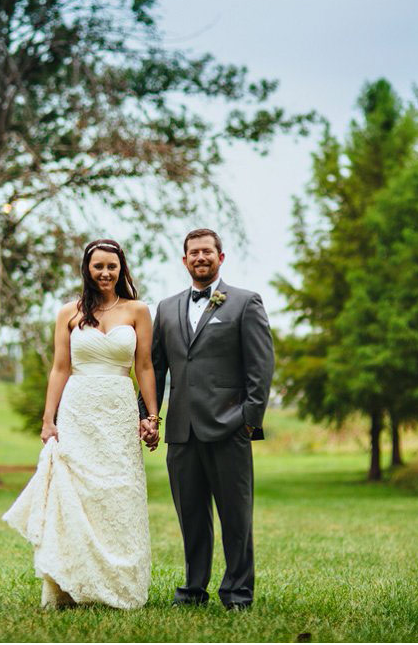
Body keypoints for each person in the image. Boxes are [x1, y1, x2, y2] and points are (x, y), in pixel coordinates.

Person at [2, 238, 159, 609]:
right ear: (87, 269)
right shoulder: (67, 313)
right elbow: (60, 368)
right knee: (77, 495)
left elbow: (145, 366)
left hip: (119, 410)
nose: (105, 272)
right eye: (98, 266)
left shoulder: (138, 311)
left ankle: (119, 585)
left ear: (122, 270)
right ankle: (71, 584)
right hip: (78, 411)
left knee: (119, 494)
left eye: (112, 266)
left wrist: (151, 416)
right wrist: (48, 419)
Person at [138, 228, 275, 611]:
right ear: (184, 261)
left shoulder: (245, 303)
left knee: (236, 518)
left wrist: (248, 420)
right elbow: (155, 367)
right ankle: (193, 590)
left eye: (207, 252)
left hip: (229, 428)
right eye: (193, 252)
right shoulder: (166, 308)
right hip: (182, 433)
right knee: (192, 518)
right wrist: (148, 415)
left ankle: (237, 594)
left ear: (220, 257)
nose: (200, 257)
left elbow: (260, 368)